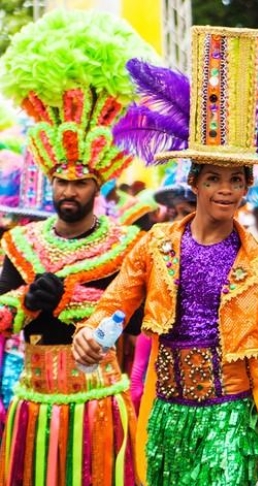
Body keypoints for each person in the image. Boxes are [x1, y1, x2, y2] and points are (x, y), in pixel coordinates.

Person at [72, 27, 258, 485]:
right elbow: (112, 309)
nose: (227, 190)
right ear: (194, 183)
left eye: (237, 180)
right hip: (168, 417)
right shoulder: (155, 246)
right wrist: (90, 336)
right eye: (214, 178)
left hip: (231, 417)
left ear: (247, 188)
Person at [0, 10, 156, 483]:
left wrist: (75, 300)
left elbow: (137, 318)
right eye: (60, 181)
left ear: (99, 184)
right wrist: (25, 302)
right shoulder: (21, 243)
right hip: (33, 401)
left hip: (98, 403)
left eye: (80, 182)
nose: (69, 191)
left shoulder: (127, 244)